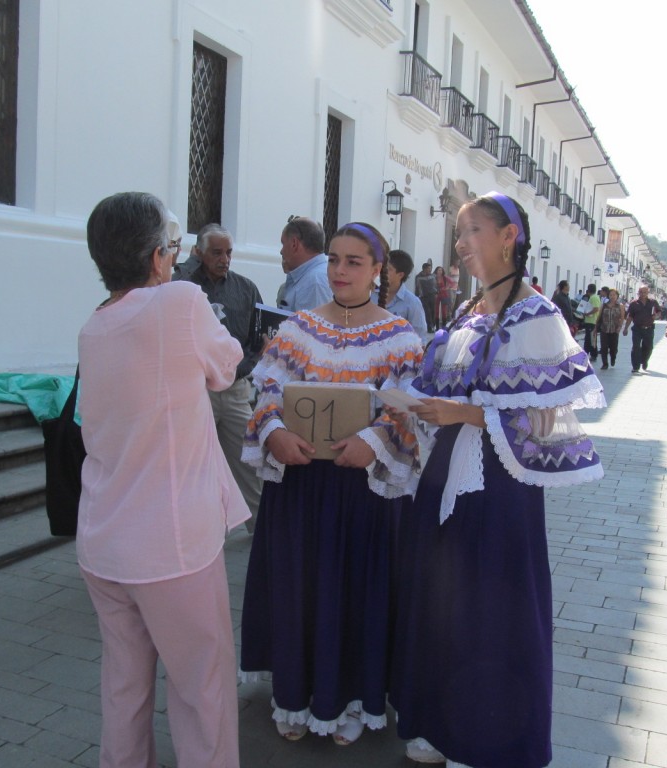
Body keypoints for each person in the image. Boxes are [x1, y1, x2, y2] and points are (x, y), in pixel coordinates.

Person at [390, 192, 604, 768]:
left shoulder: (537, 316)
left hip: (500, 488)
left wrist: (464, 413)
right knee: (443, 602)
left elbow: (546, 417)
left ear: (509, 235)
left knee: (492, 607)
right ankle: (439, 722)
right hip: (445, 480)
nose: (460, 243)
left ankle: (487, 740)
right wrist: (407, 401)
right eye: (458, 233)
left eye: (471, 231)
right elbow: (437, 384)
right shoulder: (466, 314)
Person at [76, 192, 249, 768]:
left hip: (104, 538)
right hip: (173, 545)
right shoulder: (179, 302)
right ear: (157, 257)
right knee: (202, 685)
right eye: (171, 250)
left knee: (124, 687)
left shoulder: (94, 326)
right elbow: (226, 367)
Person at [239, 222, 423, 746]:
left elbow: (407, 408)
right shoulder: (297, 329)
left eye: (354, 262)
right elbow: (268, 390)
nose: (340, 271)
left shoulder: (400, 339)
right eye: (335, 260)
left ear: (378, 271)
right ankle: (294, 696)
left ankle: (348, 700)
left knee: (353, 594)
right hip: (300, 486)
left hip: (361, 491)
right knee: (300, 589)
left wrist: (376, 439)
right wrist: (273, 432)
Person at [186, 225, 265, 528]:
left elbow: (259, 341)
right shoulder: (182, 284)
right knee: (195, 464)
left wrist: (244, 368)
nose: (224, 259)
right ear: (199, 252)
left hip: (235, 390)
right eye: (216, 252)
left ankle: (259, 528)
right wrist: (191, 266)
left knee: (247, 459)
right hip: (196, 390)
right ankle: (201, 529)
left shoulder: (246, 289)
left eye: (228, 252)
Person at [276, 215, 332, 311]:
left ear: (294, 244)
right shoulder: (320, 274)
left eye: (283, 243)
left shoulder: (314, 283)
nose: (281, 251)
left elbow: (312, 325)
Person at [385, 248, 429, 336]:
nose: (382, 271)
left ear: (400, 275)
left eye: (388, 269)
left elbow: (419, 336)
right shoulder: (370, 295)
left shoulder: (412, 302)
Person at [622, 285, 661, 374]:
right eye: (641, 292)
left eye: (645, 292)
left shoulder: (653, 302)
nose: (643, 294)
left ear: (648, 292)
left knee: (649, 347)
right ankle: (635, 367)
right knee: (636, 347)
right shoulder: (633, 303)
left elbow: (659, 312)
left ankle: (644, 361)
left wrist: (656, 316)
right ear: (638, 292)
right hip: (637, 328)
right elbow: (630, 317)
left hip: (649, 328)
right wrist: (625, 328)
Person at [597, 288, 625, 369]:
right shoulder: (604, 305)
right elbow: (599, 316)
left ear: (617, 296)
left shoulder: (620, 306)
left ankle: (613, 358)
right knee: (604, 347)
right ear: (608, 296)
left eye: (614, 295)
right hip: (604, 329)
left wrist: (620, 327)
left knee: (613, 347)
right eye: (610, 295)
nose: (612, 296)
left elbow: (622, 317)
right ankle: (605, 363)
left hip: (614, 329)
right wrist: (596, 327)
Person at [414, 261, 438, 330]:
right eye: (428, 269)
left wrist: (436, 292)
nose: (430, 270)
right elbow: (417, 287)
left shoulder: (433, 276)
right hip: (423, 296)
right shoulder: (418, 277)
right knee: (427, 312)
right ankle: (429, 327)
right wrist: (417, 296)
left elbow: (436, 285)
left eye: (430, 268)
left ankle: (433, 325)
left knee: (433, 311)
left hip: (432, 296)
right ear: (424, 269)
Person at [580, 283, 601, 361]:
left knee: (591, 339)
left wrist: (587, 313)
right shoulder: (594, 297)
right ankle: (588, 353)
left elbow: (596, 309)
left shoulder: (593, 298)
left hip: (592, 321)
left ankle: (592, 354)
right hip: (590, 321)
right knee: (589, 338)